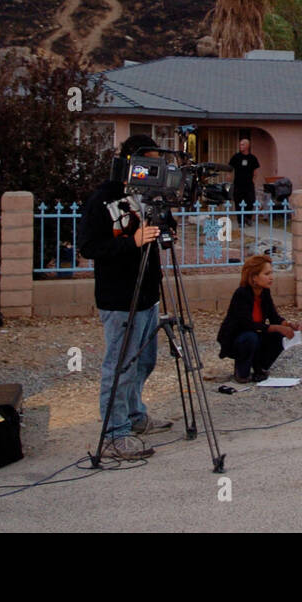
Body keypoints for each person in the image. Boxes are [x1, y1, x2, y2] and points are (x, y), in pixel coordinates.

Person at [79, 134, 174, 459]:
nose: (152, 171)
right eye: (148, 163)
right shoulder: (102, 199)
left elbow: (162, 230)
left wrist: (165, 228)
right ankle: (113, 435)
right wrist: (131, 243)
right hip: (119, 297)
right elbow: (90, 247)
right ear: (131, 161)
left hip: (148, 292)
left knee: (144, 361)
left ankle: (134, 416)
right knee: (119, 365)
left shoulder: (149, 195)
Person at [216, 255, 300, 383]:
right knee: (251, 336)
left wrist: (288, 324)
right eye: (266, 274)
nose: (271, 277)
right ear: (254, 277)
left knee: (278, 334)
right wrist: (277, 327)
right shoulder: (242, 294)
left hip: (256, 335)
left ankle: (259, 367)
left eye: (271, 273)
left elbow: (274, 316)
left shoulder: (264, 292)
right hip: (238, 339)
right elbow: (246, 324)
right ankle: (241, 370)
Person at [228, 138, 260, 212]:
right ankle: (240, 221)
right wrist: (229, 176)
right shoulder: (236, 157)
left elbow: (255, 171)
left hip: (249, 184)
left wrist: (253, 180)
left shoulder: (252, 158)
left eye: (242, 144)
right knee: (238, 202)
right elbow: (230, 167)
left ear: (247, 146)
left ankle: (248, 218)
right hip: (238, 184)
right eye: (240, 145)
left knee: (250, 201)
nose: (240, 146)